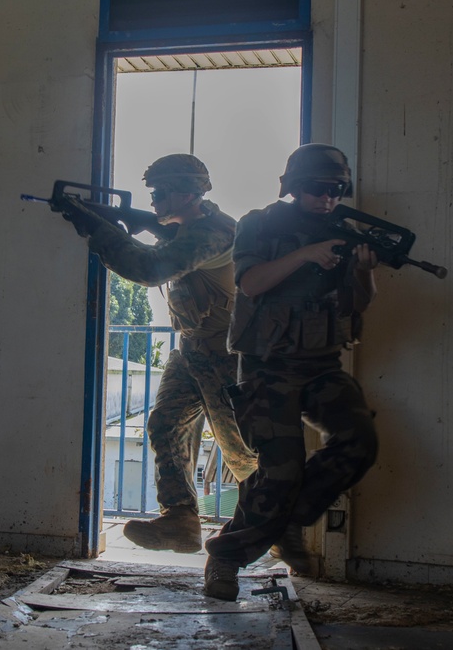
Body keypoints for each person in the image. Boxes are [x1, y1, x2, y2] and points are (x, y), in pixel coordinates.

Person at [203, 144, 380, 601]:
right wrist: (308, 253)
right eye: (318, 190)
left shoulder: (343, 230)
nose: (327, 199)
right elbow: (251, 282)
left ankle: (287, 521)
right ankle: (225, 556)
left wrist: (362, 271)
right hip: (267, 367)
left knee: (360, 439)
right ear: (294, 187)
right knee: (280, 471)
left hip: (321, 364)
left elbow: (357, 304)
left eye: (336, 190)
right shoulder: (260, 224)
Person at [63, 154, 257, 553]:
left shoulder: (214, 233)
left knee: (240, 451)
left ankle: (273, 526)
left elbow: (150, 268)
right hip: (190, 351)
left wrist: (99, 232)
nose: (153, 202)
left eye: (160, 193)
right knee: (166, 426)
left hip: (225, 355)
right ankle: (181, 520)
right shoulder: (185, 231)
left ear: (187, 193)